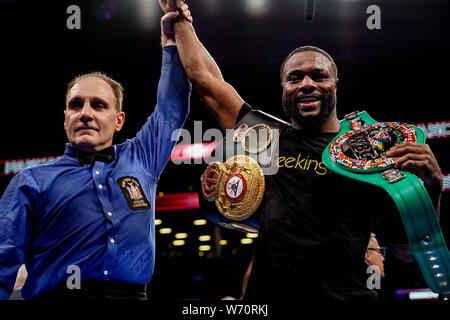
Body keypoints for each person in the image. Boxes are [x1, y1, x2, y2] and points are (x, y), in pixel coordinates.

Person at [159, 1, 443, 300]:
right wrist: (179, 17)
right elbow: (207, 80)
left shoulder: (368, 155)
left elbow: (405, 251)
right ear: (283, 87)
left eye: (318, 76)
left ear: (335, 83)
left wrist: (430, 189)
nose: (306, 84)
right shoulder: (265, 138)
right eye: (295, 78)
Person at [0, 17, 192, 300]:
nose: (85, 113)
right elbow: (3, 259)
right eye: (76, 105)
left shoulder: (142, 158)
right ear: (65, 118)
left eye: (98, 105)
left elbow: (171, 107)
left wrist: (171, 37)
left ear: (118, 120)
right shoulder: (30, 181)